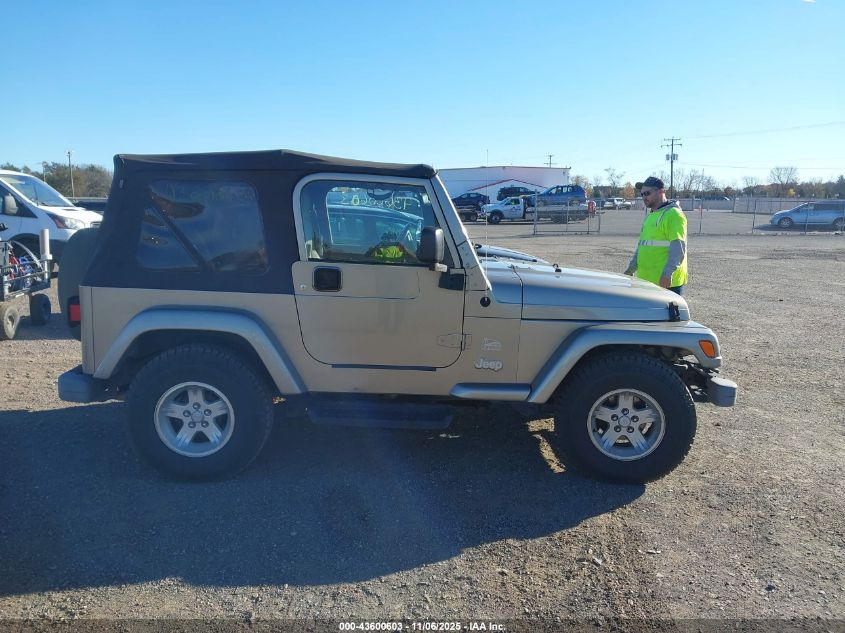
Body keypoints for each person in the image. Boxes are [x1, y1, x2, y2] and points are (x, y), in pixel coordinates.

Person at [624, 176, 688, 295]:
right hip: (646, 281)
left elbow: (678, 248)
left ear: (661, 191)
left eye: (647, 193)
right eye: (642, 194)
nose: (644, 197)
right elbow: (642, 245)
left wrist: (667, 274)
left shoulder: (673, 215)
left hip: (666, 283)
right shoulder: (651, 216)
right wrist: (631, 268)